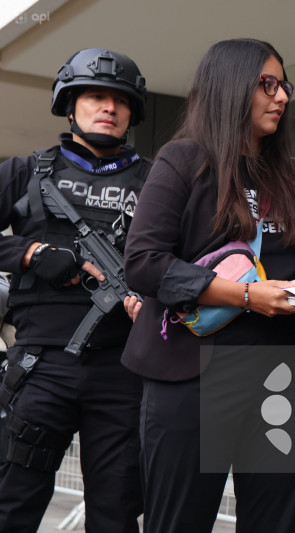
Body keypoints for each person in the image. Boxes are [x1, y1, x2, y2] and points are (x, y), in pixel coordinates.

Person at [121, 39, 295, 533]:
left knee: (276, 523)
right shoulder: (184, 161)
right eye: (267, 84)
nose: (281, 97)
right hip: (193, 376)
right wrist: (244, 295)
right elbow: (145, 263)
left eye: (284, 86)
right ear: (230, 87)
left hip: (288, 377)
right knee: (179, 521)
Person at [0, 48, 149, 532]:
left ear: (132, 113)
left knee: (117, 512)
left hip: (125, 370)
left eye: (120, 100)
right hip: (42, 365)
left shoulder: (156, 183)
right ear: (71, 105)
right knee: (12, 503)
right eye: (96, 97)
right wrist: (29, 255)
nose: (109, 107)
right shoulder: (23, 172)